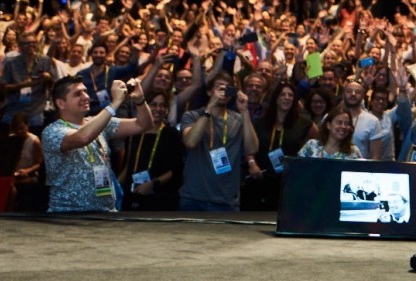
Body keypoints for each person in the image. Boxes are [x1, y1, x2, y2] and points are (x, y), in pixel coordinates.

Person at [42, 76, 153, 213]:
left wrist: (139, 100)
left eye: (85, 91)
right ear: (61, 103)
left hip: (106, 213)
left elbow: (144, 125)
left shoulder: (98, 122)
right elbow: (83, 137)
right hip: (67, 214)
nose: (85, 97)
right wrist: (114, 104)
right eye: (77, 94)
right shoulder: (52, 131)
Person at [179, 73, 260, 212]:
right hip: (193, 198)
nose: (223, 92)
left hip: (226, 199)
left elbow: (252, 148)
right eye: (219, 88)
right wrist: (210, 108)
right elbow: (190, 142)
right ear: (209, 91)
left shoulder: (239, 119)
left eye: (227, 89)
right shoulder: (192, 116)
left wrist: (245, 111)